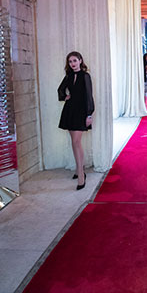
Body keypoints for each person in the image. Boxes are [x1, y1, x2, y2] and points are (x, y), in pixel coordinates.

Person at [58, 51, 94, 190]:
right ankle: (79, 170)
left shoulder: (85, 76)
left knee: (76, 142)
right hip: (69, 110)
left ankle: (81, 175)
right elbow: (60, 90)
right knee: (74, 142)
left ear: (80, 60)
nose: (72, 63)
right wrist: (64, 97)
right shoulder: (68, 76)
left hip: (81, 111)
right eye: (70, 61)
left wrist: (89, 114)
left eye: (74, 60)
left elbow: (89, 96)